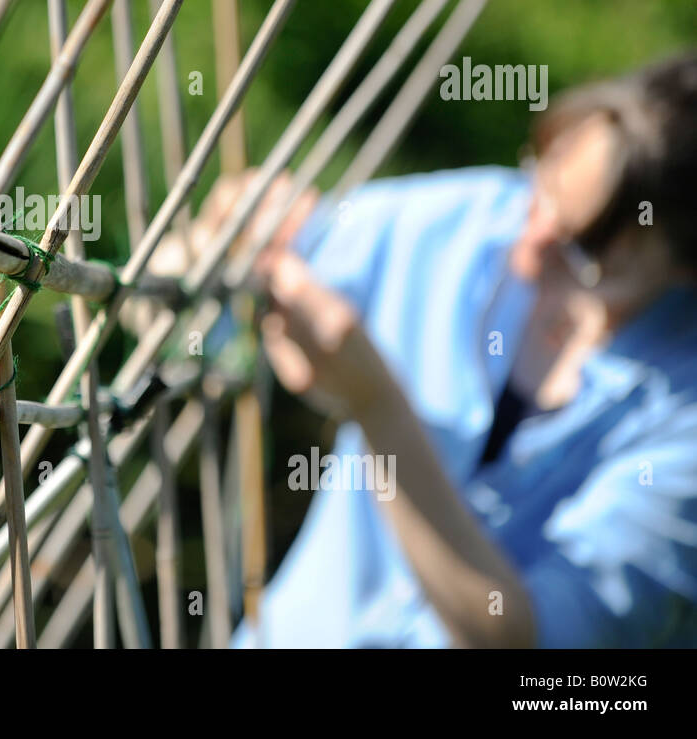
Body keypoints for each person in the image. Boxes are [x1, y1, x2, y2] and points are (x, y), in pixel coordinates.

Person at [194, 52, 697, 648]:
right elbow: (222, 297)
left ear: (685, 268)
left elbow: (538, 647)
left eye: (581, 252)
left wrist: (381, 413)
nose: (529, 243)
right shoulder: (466, 221)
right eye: (542, 187)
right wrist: (223, 244)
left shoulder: (680, 424)